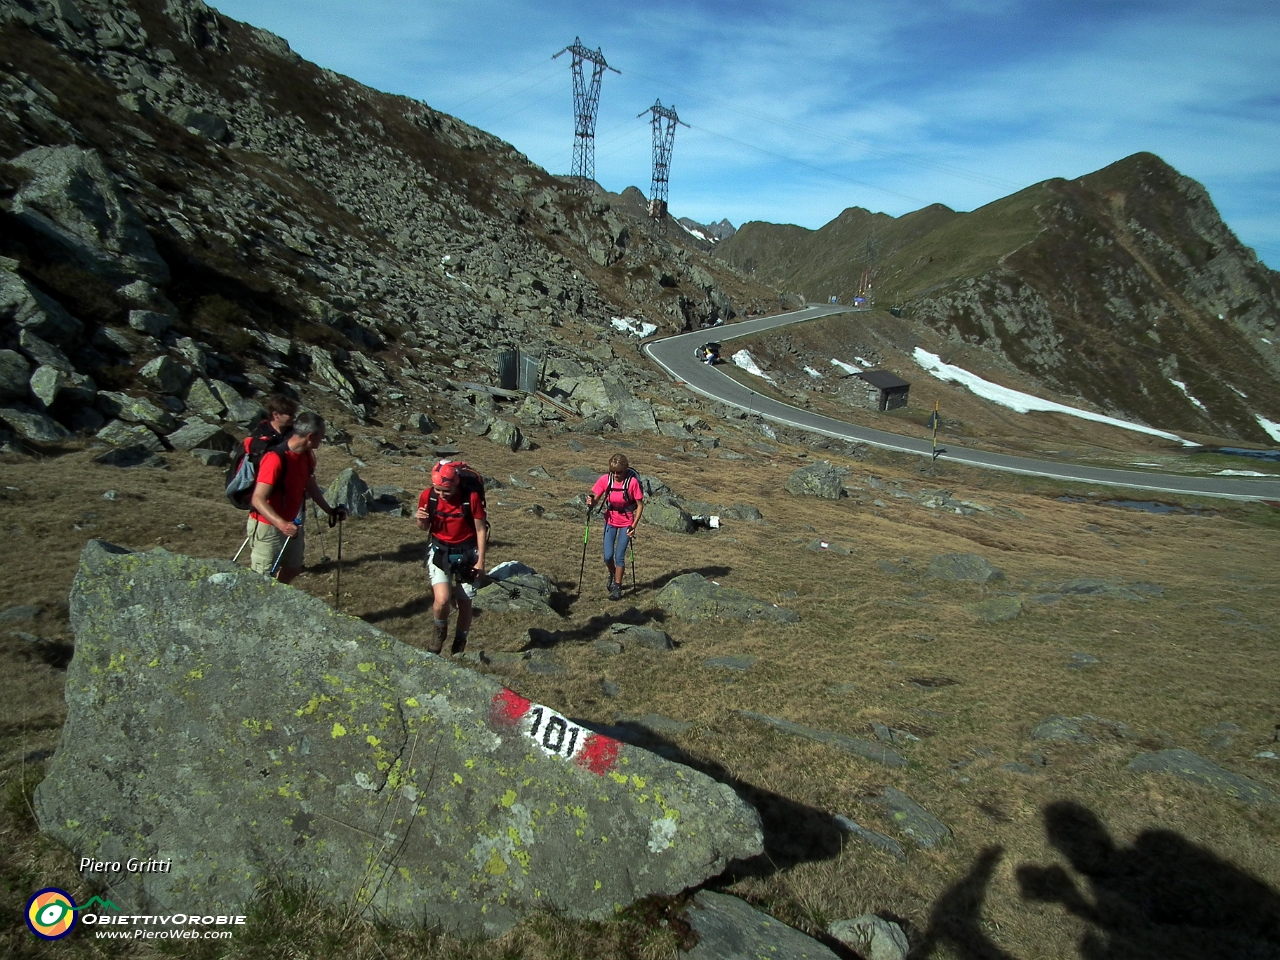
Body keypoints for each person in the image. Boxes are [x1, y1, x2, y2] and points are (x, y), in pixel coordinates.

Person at [247, 411, 346, 584]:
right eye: (321, 437)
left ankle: (277, 595)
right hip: (267, 527)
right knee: (261, 578)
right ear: (310, 436)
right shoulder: (275, 458)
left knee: (294, 568)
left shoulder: (305, 456)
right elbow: (258, 499)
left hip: (291, 523)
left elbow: (309, 484)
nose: (322, 441)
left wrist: (329, 510)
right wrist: (282, 525)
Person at [416, 460, 488, 655]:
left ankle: (459, 644)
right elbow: (424, 527)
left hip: (467, 552)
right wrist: (421, 520)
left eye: (445, 491)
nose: (441, 495)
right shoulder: (427, 496)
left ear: (456, 483)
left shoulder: (471, 498)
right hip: (440, 551)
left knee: (465, 603)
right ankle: (439, 633)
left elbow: (481, 530)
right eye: (438, 490)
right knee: (442, 600)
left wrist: (481, 561)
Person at [586, 453, 644, 601]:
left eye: (619, 472)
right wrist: (591, 503)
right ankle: (612, 572)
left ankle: (617, 586)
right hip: (610, 519)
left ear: (625, 469)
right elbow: (596, 500)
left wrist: (633, 525)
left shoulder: (632, 483)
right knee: (607, 556)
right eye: (613, 472)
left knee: (619, 556)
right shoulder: (605, 480)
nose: (616, 475)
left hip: (626, 521)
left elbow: (639, 505)